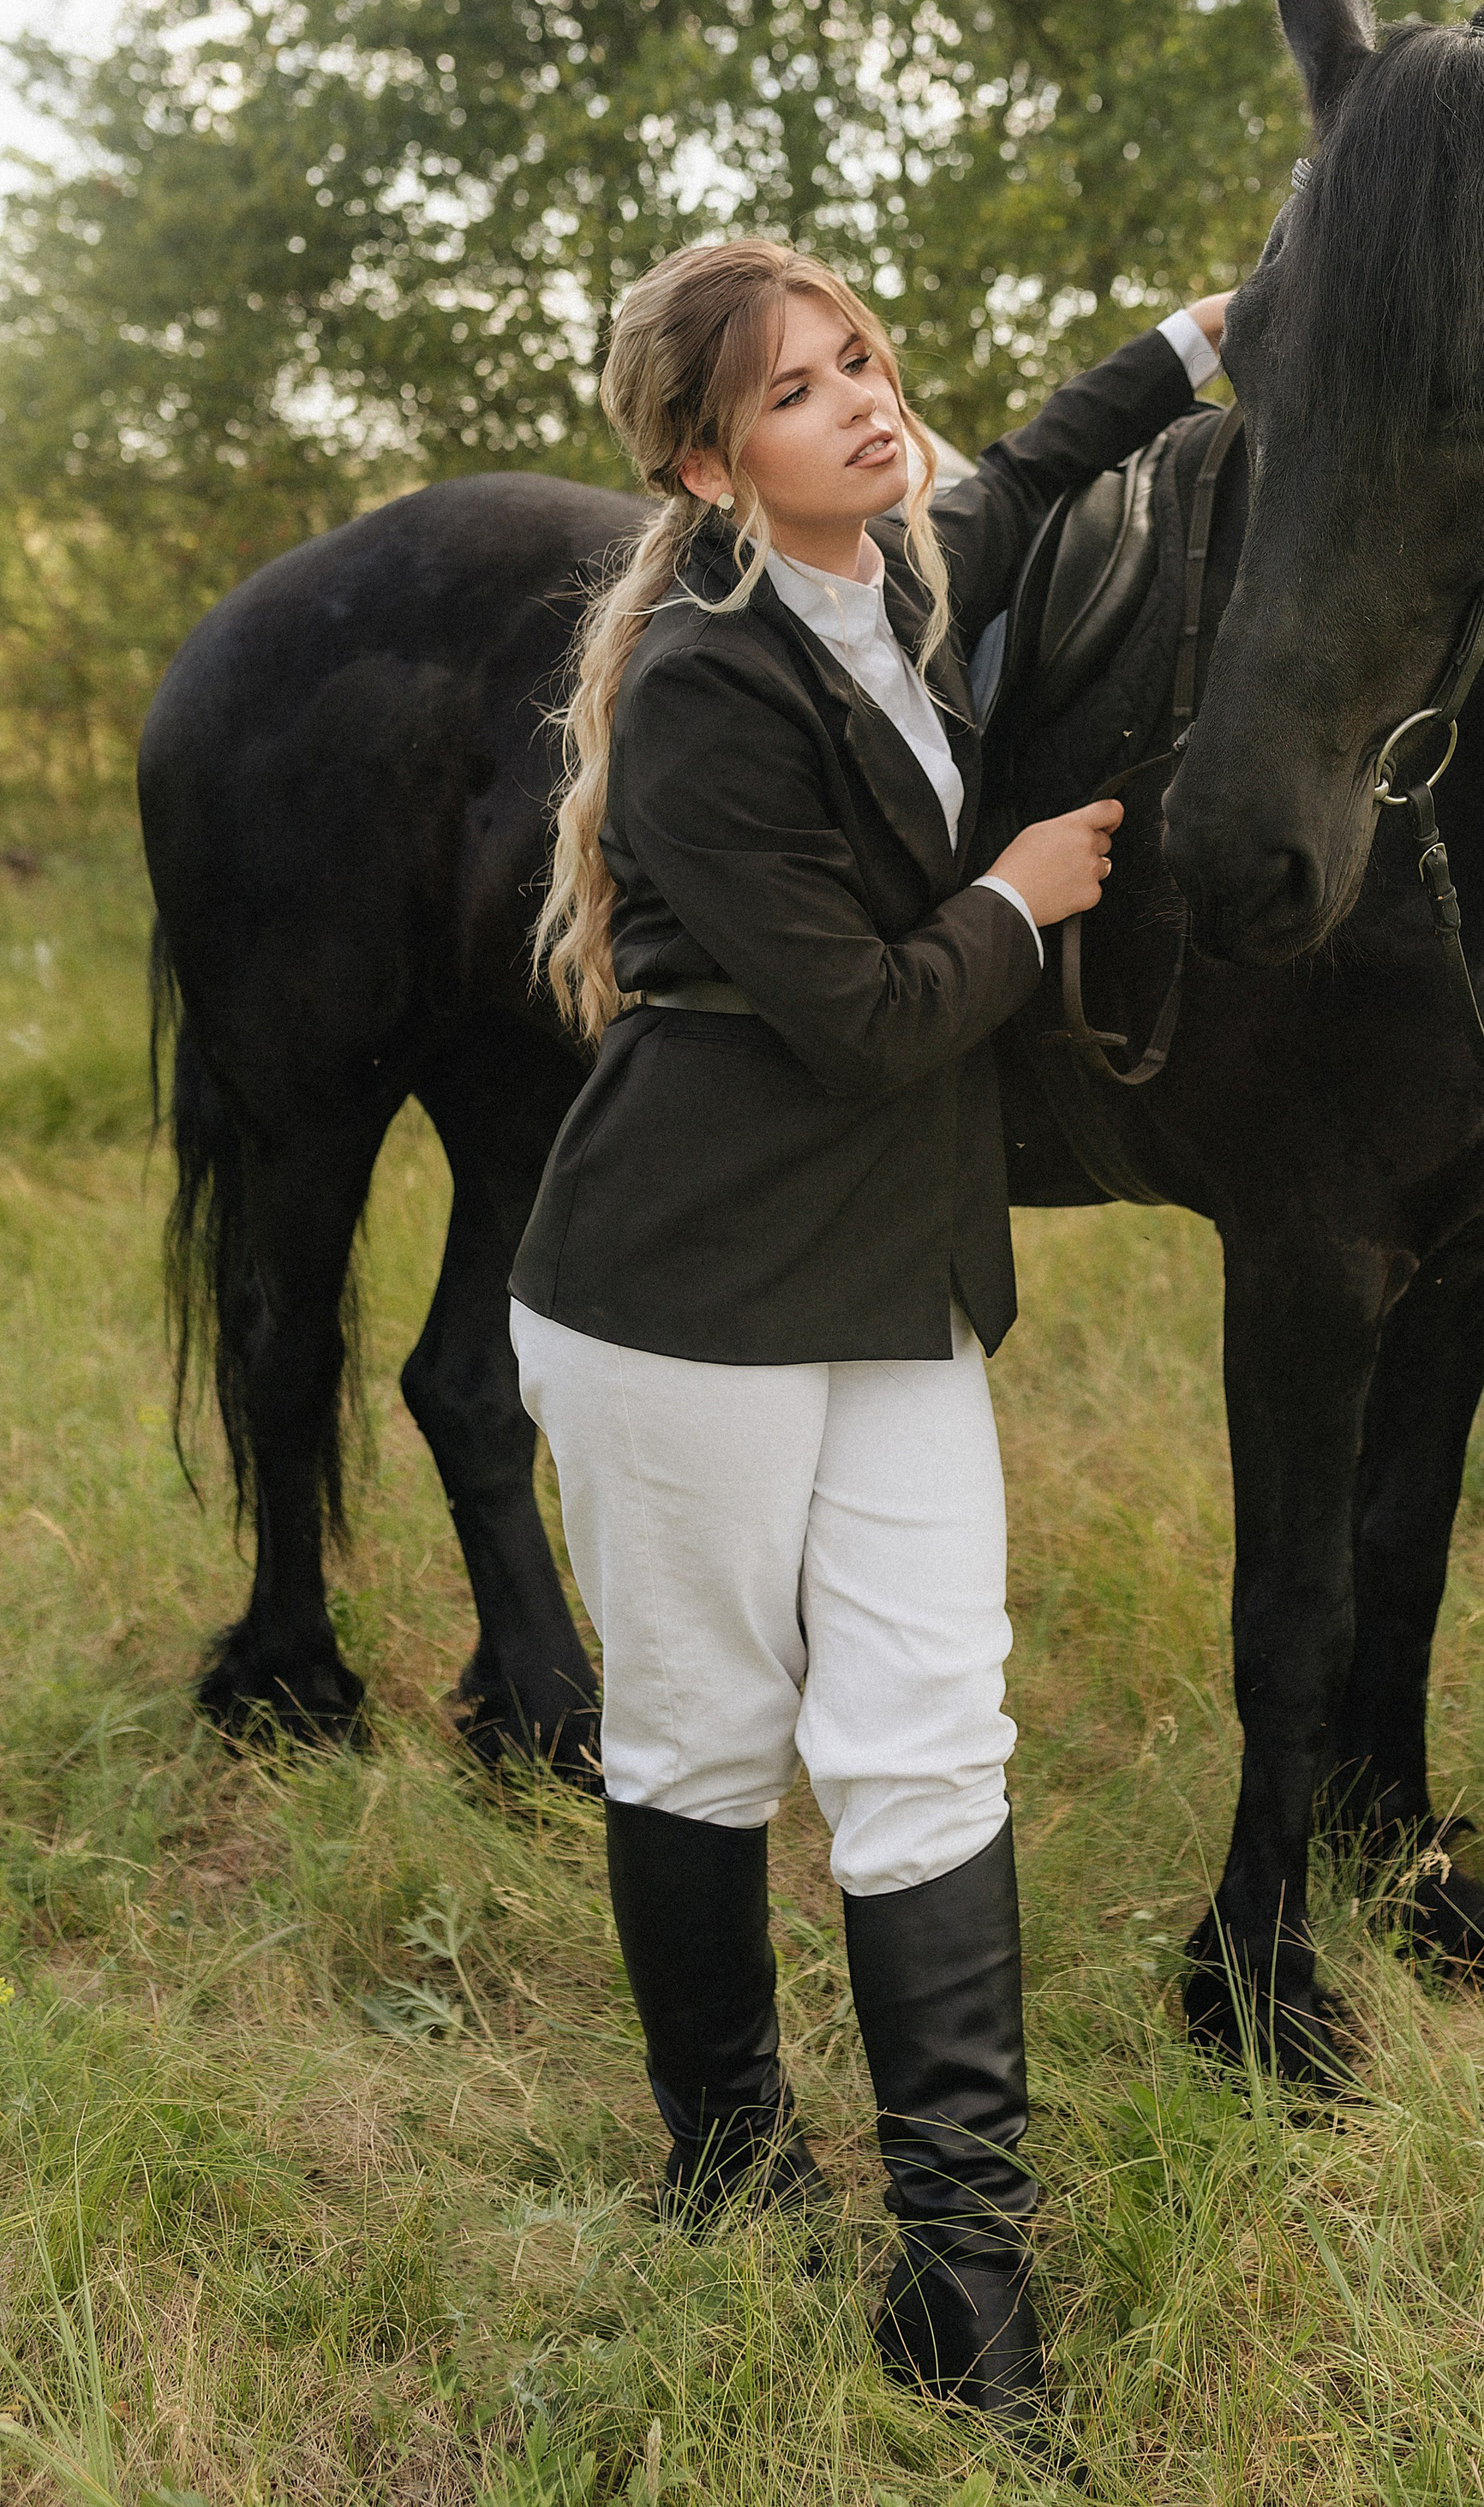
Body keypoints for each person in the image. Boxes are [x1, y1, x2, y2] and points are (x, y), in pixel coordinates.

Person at [511, 237, 1227, 2438]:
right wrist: (1019, 891)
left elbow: (1026, 465)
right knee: (703, 1737)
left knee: (931, 1740)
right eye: (797, 390)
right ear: (705, 463)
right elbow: (866, 1015)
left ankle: (962, 2286)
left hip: (894, 1284)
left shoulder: (894, 575)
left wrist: (1208, 336)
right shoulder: (705, 683)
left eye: (860, 360)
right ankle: (726, 2164)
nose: (859, 402)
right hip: (685, 1288)